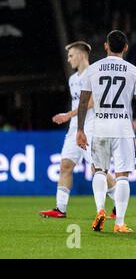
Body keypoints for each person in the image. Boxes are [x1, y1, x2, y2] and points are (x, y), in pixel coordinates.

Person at [76, 31, 136, 233]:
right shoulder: (134, 71)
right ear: (126, 47)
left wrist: (80, 129)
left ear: (106, 46)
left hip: (100, 127)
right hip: (123, 128)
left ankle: (100, 209)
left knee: (99, 170)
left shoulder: (93, 69)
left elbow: (83, 102)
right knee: (122, 175)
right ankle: (119, 223)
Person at [39, 41, 116, 219]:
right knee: (65, 165)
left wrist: (67, 115)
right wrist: (71, 118)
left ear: (81, 55)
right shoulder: (73, 79)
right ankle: (60, 208)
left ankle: (120, 197)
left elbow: (91, 102)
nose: (68, 59)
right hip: (75, 128)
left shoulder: (95, 74)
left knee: (97, 170)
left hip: (92, 127)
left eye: (71, 55)